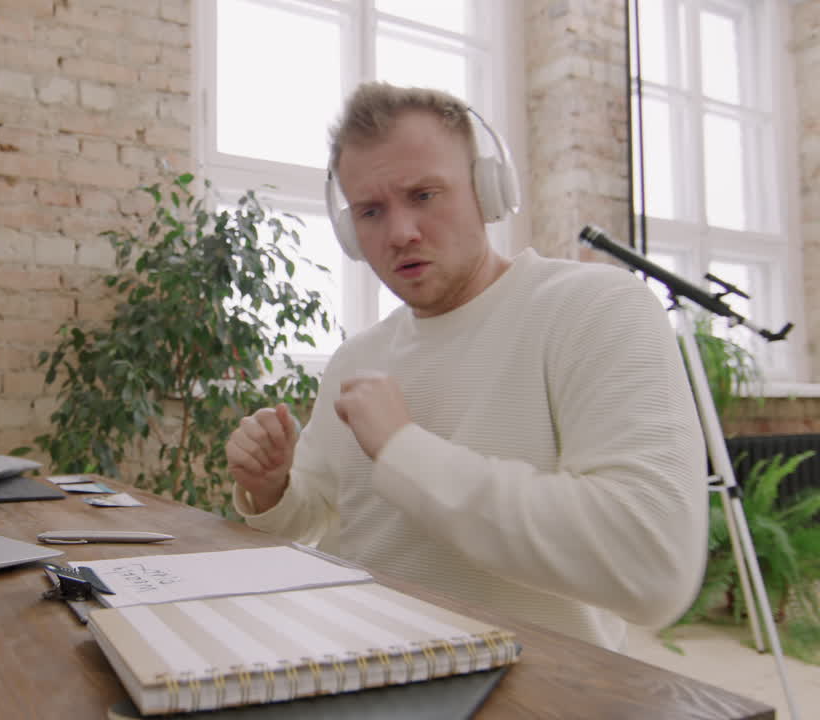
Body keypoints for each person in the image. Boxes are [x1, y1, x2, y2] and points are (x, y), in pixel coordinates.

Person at [226, 82, 707, 651]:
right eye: (371, 211)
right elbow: (316, 519)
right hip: (354, 665)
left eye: (424, 195)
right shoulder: (357, 357)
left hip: (534, 686)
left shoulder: (596, 309)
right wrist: (273, 488)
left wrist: (403, 450)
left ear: (488, 190)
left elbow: (652, 564)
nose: (400, 231)